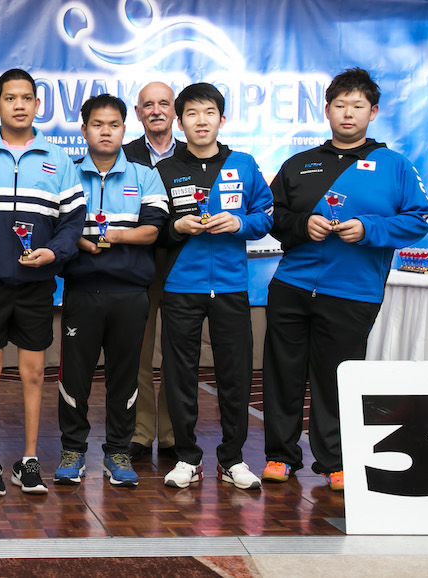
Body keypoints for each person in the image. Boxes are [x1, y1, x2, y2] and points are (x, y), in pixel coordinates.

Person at [262, 68, 428, 492]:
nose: (348, 113)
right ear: (327, 111)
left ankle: (335, 461)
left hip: (353, 291)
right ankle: (280, 456)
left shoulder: (395, 165)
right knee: (282, 374)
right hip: (292, 285)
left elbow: (420, 218)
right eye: (340, 105)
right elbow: (272, 215)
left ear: (373, 112)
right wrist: (303, 224)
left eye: (358, 106)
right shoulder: (299, 164)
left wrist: (370, 229)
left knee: (336, 379)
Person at [0, 68, 84, 497]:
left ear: (37, 105)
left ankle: (28, 461)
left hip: (35, 284)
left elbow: (73, 220)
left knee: (33, 373)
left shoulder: (59, 160)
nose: (19, 105)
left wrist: (54, 253)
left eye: (27, 98)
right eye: (10, 98)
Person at [154, 82, 272, 491]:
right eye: (191, 113)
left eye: (208, 112)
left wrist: (240, 222)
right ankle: (187, 457)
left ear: (222, 119)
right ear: (179, 121)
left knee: (235, 374)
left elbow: (266, 216)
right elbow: (153, 228)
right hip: (180, 286)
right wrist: (177, 227)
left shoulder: (244, 164)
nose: (200, 121)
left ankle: (232, 459)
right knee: (179, 375)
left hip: (232, 285)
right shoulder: (165, 170)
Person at [56, 94, 168, 487]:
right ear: (83, 129)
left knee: (125, 377)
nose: (106, 132)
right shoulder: (67, 173)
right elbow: (59, 226)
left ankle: (118, 451)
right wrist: (78, 241)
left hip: (130, 294)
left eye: (114, 125)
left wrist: (115, 236)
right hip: (82, 291)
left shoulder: (145, 175)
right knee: (74, 377)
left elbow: (152, 230)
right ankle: (73, 450)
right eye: (98, 124)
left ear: (125, 128)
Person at [123, 81, 184, 462]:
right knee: (138, 351)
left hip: (182, 262)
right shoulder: (124, 155)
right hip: (137, 262)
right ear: (138, 113)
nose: (156, 110)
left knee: (177, 352)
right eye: (148, 104)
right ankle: (142, 432)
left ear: (175, 111)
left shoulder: (193, 154)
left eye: (164, 103)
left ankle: (174, 433)